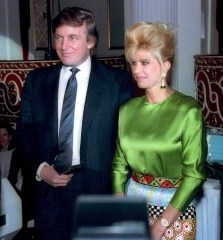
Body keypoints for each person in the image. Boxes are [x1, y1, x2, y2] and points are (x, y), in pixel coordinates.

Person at [15, 6, 133, 240]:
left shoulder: (116, 82)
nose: (63, 45)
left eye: (72, 37)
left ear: (90, 41)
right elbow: (24, 134)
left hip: (98, 193)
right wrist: (41, 170)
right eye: (59, 37)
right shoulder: (37, 82)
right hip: (50, 194)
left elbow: (125, 141)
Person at [112, 22, 207, 240]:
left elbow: (194, 175)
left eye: (145, 62)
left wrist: (160, 225)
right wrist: (120, 204)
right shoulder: (127, 110)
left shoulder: (187, 110)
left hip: (174, 210)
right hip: (133, 205)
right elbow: (118, 164)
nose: (136, 70)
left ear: (165, 66)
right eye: (133, 63)